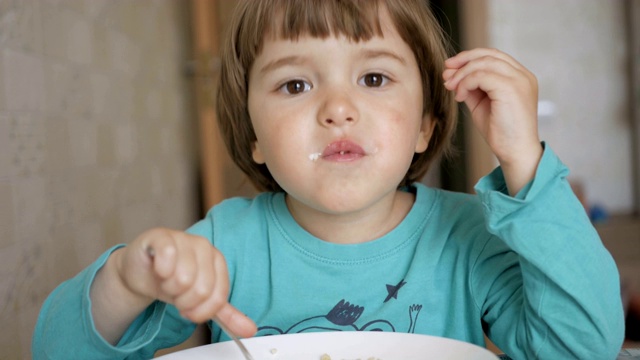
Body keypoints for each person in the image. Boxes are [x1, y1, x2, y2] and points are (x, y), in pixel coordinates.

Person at [33, 0, 625, 359]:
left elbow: (583, 347)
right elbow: (58, 353)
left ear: (425, 123)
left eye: (373, 79)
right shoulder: (226, 243)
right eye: (296, 85)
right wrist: (127, 278)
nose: (337, 108)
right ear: (254, 134)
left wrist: (525, 162)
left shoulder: (467, 236)